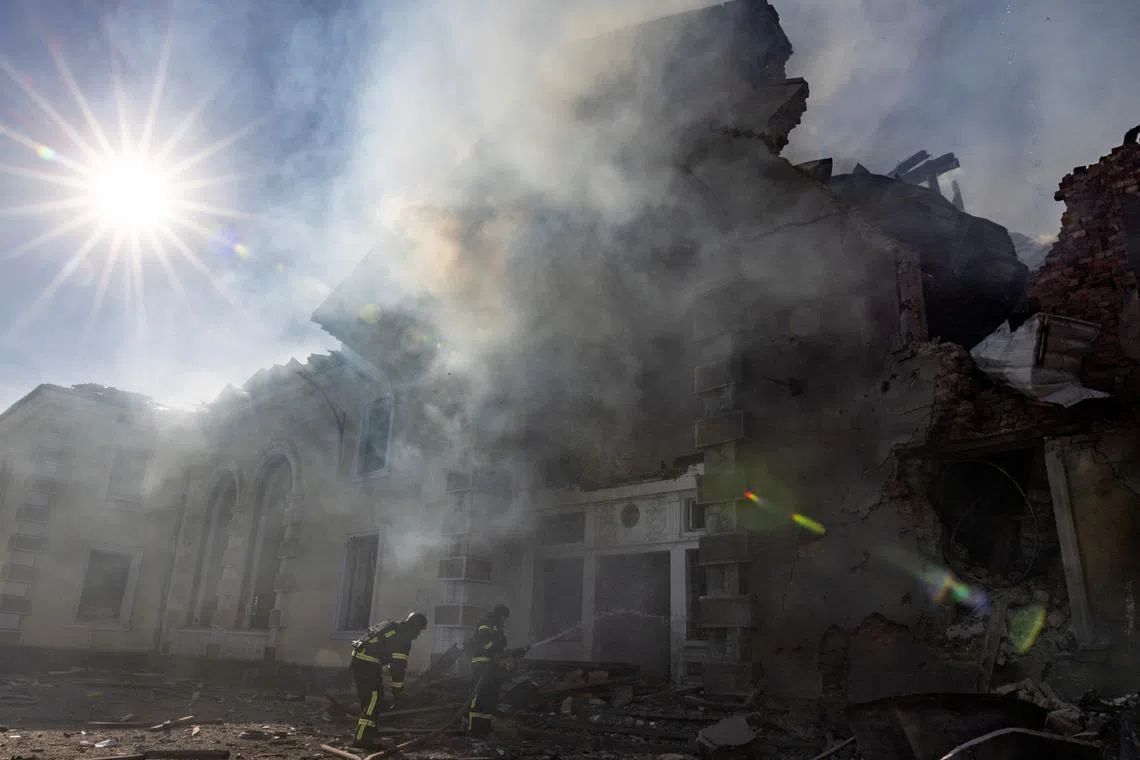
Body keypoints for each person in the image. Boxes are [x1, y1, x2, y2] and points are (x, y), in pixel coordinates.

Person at [350, 611, 428, 749]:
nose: (417, 635)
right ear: (414, 627)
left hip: (362, 660)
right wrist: (397, 692)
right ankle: (361, 740)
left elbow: (392, 661)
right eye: (419, 631)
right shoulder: (403, 637)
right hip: (367, 663)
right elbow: (398, 667)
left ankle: (369, 736)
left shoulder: (392, 625)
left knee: (373, 700)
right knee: (374, 699)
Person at [466, 604, 510, 739]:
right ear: (500, 615)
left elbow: (501, 645)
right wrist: (494, 651)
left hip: (492, 666)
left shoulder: (498, 628)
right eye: (504, 617)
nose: (505, 620)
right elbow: (484, 641)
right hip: (482, 663)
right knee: (479, 695)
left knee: (490, 695)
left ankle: (484, 728)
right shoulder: (486, 623)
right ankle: (474, 729)